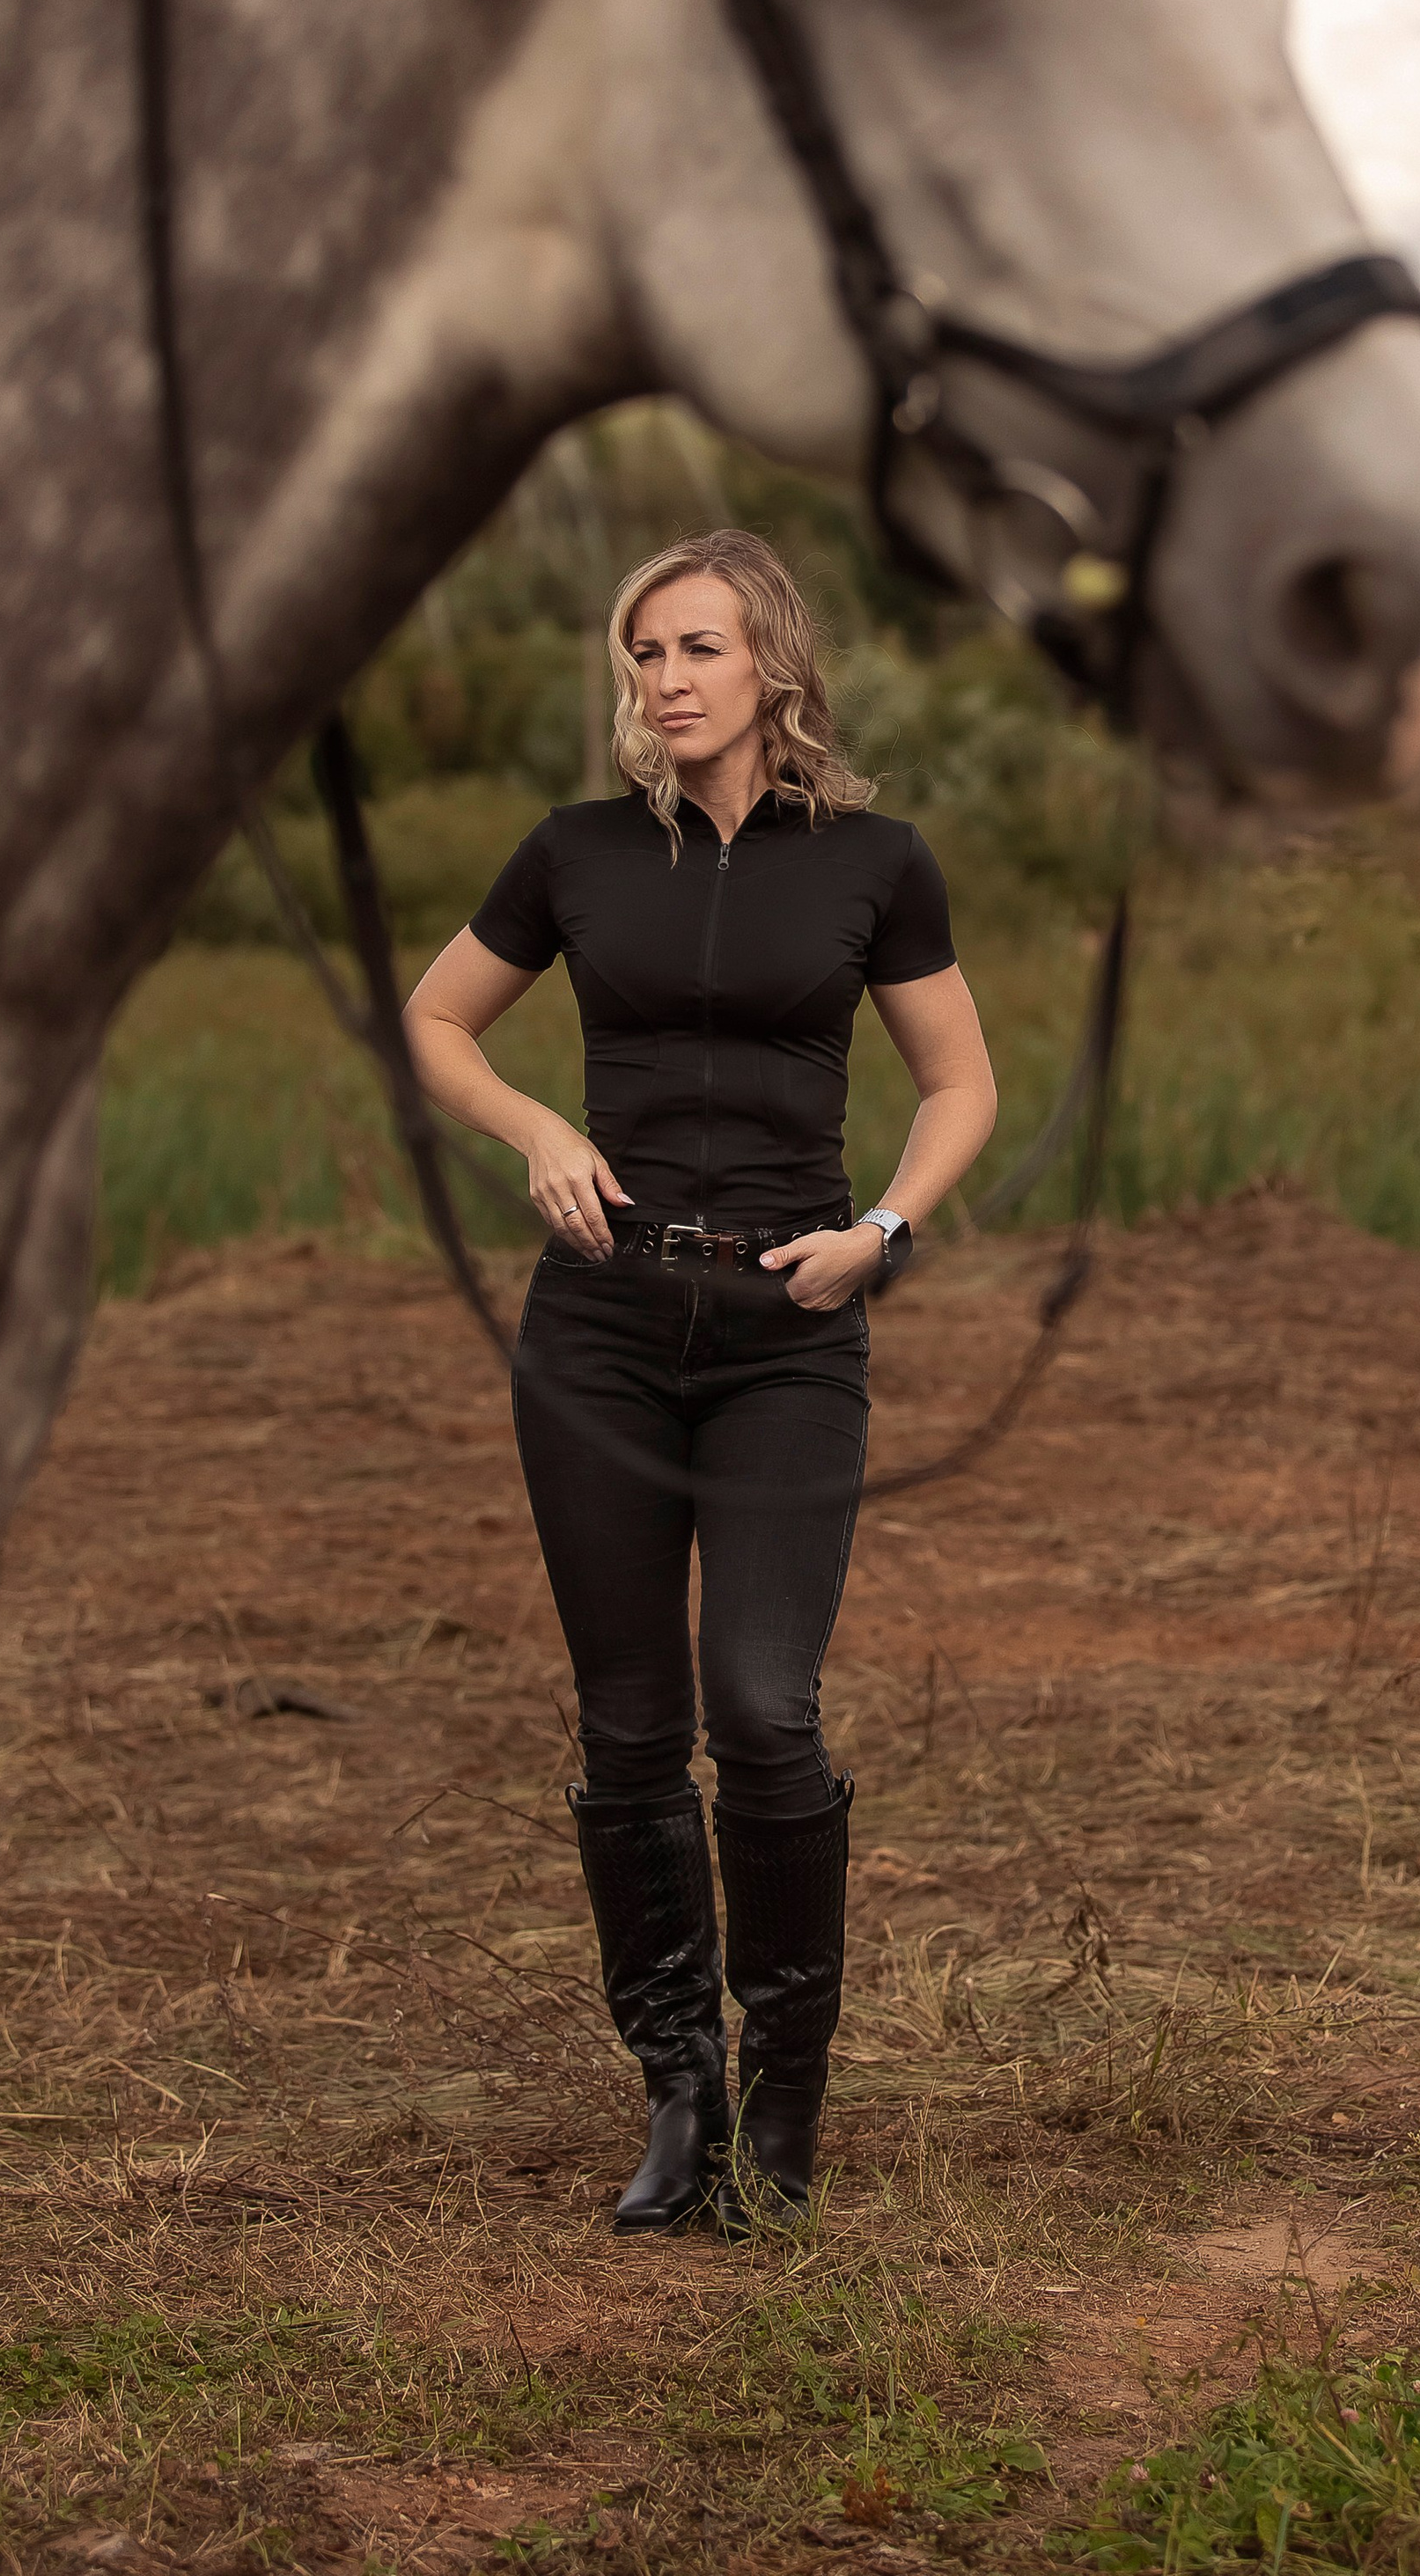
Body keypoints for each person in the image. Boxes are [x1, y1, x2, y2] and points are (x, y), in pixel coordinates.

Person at [404, 530, 997, 2237]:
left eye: (697, 650)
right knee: (627, 1725)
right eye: (642, 651)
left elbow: (954, 1084)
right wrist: (537, 1131)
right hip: (595, 1327)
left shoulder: (873, 863)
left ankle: (781, 2107)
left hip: (788, 1332)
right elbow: (435, 1024)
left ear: (771, 670)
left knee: (762, 1707)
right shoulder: (574, 853)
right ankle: (676, 2099)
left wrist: (881, 1226)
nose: (662, 679)